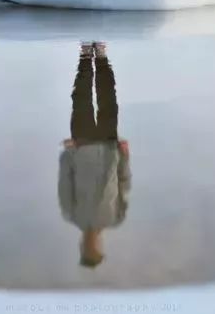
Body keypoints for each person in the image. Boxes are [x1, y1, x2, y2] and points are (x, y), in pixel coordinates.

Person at [58, 42, 131, 268]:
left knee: (80, 97)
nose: (92, 246)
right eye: (95, 250)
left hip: (81, 144)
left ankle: (85, 55)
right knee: (108, 97)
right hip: (109, 147)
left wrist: (69, 152)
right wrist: (124, 157)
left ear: (82, 246)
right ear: (100, 246)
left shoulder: (72, 215)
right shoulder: (116, 218)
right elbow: (124, 185)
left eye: (89, 250)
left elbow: (64, 182)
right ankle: (100, 56)